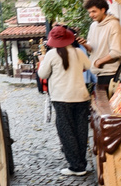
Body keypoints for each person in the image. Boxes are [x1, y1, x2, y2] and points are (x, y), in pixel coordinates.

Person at [37, 25, 91, 176]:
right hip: (81, 96)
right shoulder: (79, 52)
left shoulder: (51, 54)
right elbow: (88, 66)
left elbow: (42, 74)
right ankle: (81, 163)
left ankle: (76, 166)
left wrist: (42, 61)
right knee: (81, 130)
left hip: (61, 97)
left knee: (66, 131)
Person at [78, 0, 121, 89]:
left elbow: (118, 52)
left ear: (103, 10)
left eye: (94, 11)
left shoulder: (113, 24)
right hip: (98, 74)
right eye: (89, 12)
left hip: (111, 74)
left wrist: (99, 62)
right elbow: (92, 49)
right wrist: (85, 45)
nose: (91, 15)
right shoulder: (93, 25)